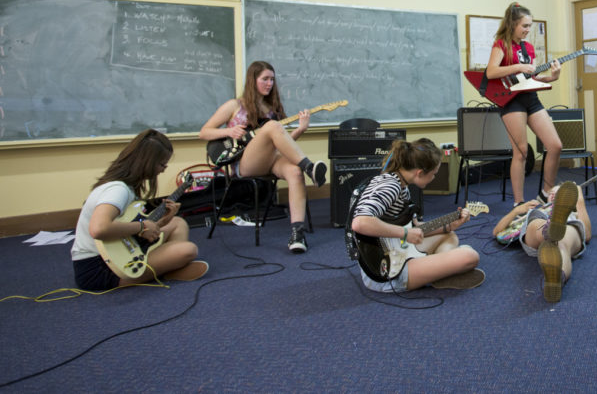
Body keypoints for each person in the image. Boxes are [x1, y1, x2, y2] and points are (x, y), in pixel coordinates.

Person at [199, 60, 326, 253]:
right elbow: (204, 132)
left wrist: (301, 129)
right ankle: (310, 168)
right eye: (265, 79)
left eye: (272, 80)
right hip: (243, 163)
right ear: (253, 80)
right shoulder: (234, 105)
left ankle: (297, 234)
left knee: (294, 171)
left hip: (270, 160)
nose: (269, 84)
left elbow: (284, 146)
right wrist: (229, 131)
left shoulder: (272, 110)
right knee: (273, 127)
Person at [71, 129, 207, 291]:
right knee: (188, 250)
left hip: (113, 252)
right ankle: (160, 272)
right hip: (97, 269)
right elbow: (99, 229)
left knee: (177, 223)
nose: (163, 169)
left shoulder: (124, 187)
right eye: (162, 164)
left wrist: (163, 221)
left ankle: (164, 267)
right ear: (147, 163)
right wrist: (143, 227)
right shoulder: (118, 190)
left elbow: (127, 225)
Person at [350, 138, 483, 292]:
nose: (434, 178)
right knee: (470, 256)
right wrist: (405, 233)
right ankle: (439, 271)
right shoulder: (390, 187)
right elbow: (359, 223)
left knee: (450, 235)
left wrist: (450, 225)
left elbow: (416, 229)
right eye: (433, 174)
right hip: (387, 273)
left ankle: (436, 273)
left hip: (397, 250)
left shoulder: (399, 182)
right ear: (419, 173)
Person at [485, 2, 562, 206]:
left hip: (531, 99)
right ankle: (519, 203)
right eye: (525, 26)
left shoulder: (528, 48)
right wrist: (518, 66)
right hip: (511, 102)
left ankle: (546, 194)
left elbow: (531, 79)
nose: (528, 30)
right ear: (513, 24)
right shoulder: (501, 44)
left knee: (555, 145)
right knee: (521, 152)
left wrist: (552, 78)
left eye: (530, 26)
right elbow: (491, 72)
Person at [491, 180, 591, 303]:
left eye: (559, 194)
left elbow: (587, 234)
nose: (554, 195)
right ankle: (550, 230)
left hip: (567, 227)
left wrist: (579, 199)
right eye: (551, 193)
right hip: (539, 225)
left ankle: (557, 278)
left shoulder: (574, 213)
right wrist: (516, 211)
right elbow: (497, 231)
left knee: (561, 246)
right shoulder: (537, 209)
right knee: (536, 220)